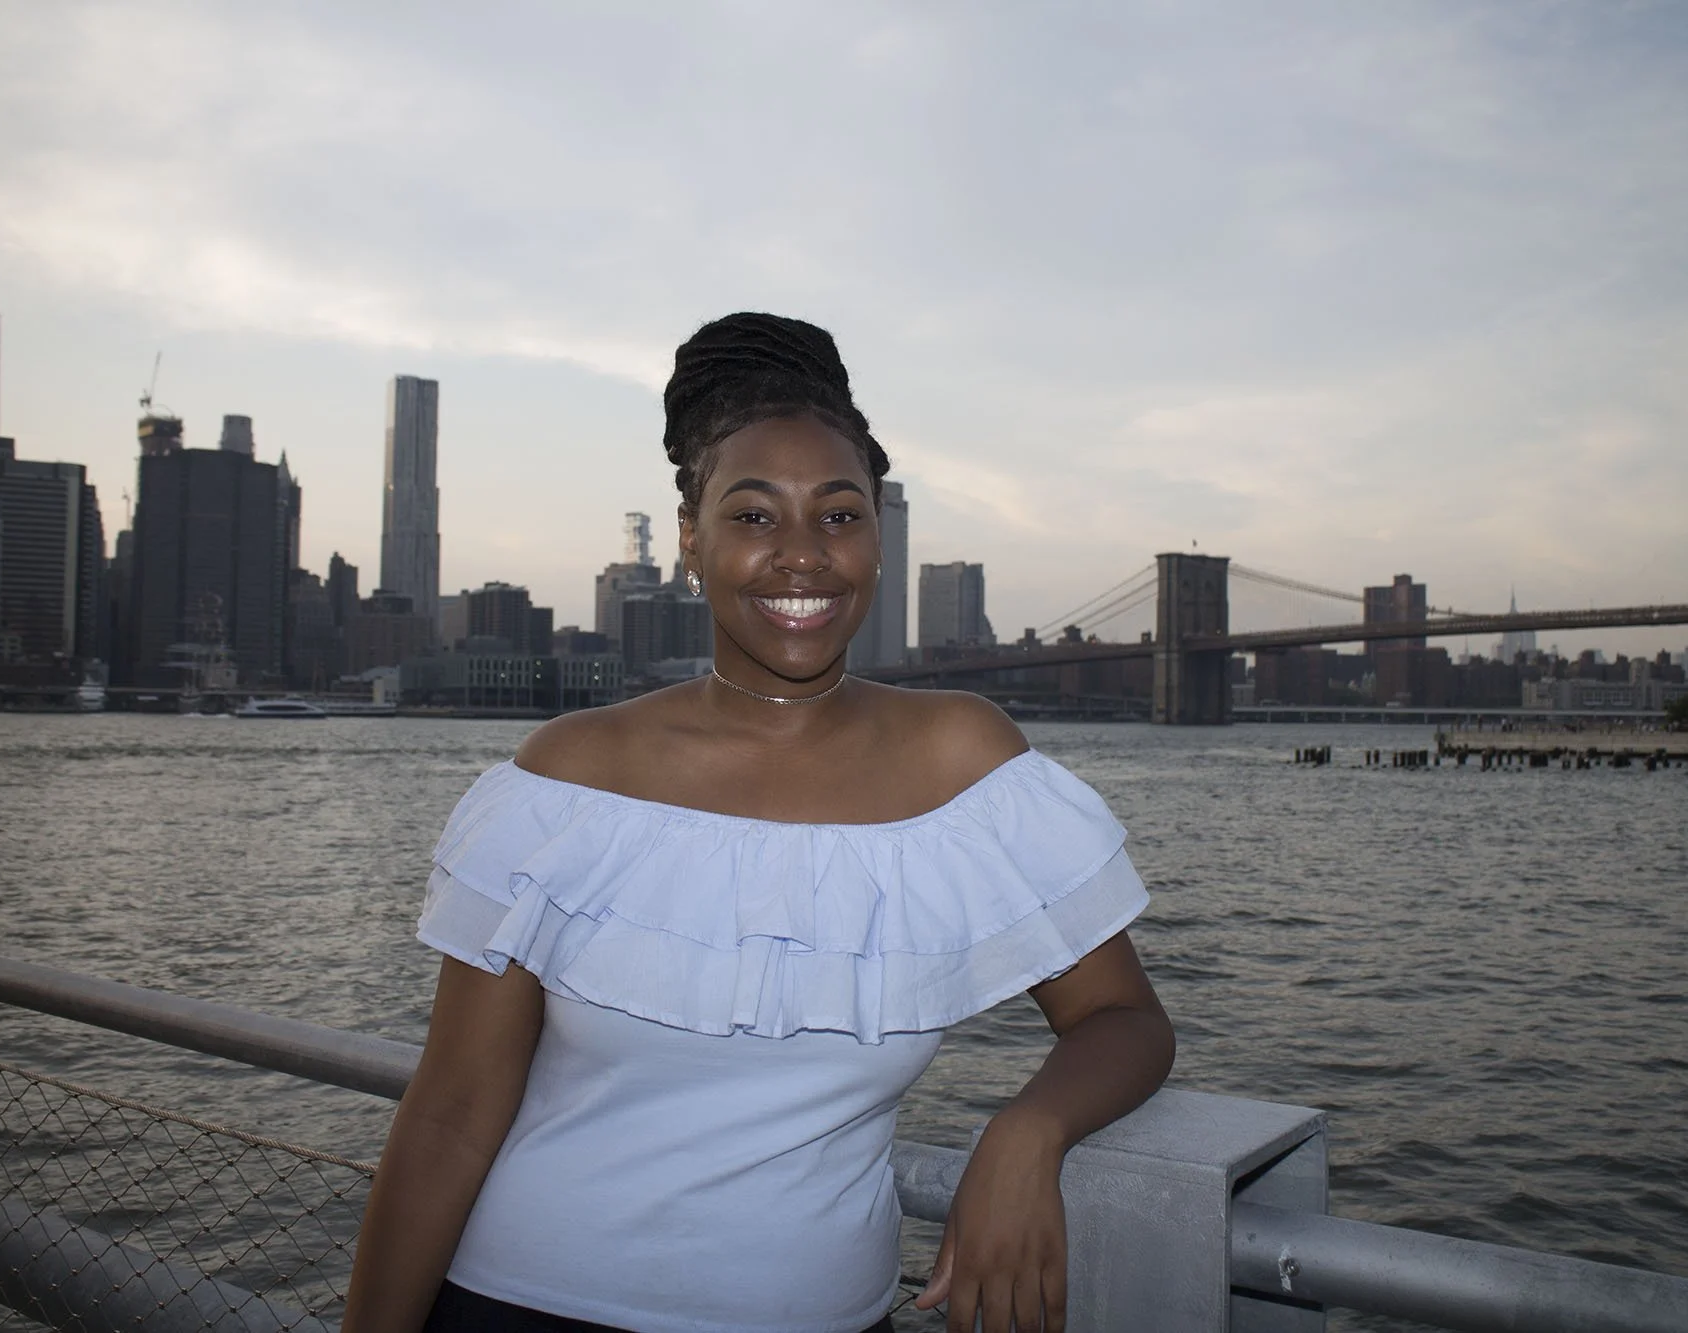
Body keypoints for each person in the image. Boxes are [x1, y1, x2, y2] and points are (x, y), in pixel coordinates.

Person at [344, 313, 1175, 1333]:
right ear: (689, 539)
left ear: (877, 537)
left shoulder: (961, 763)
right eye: (750, 516)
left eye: (838, 516)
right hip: (516, 1305)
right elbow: (451, 1112)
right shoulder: (569, 779)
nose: (801, 556)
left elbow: (1123, 1021)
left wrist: (1024, 1134)